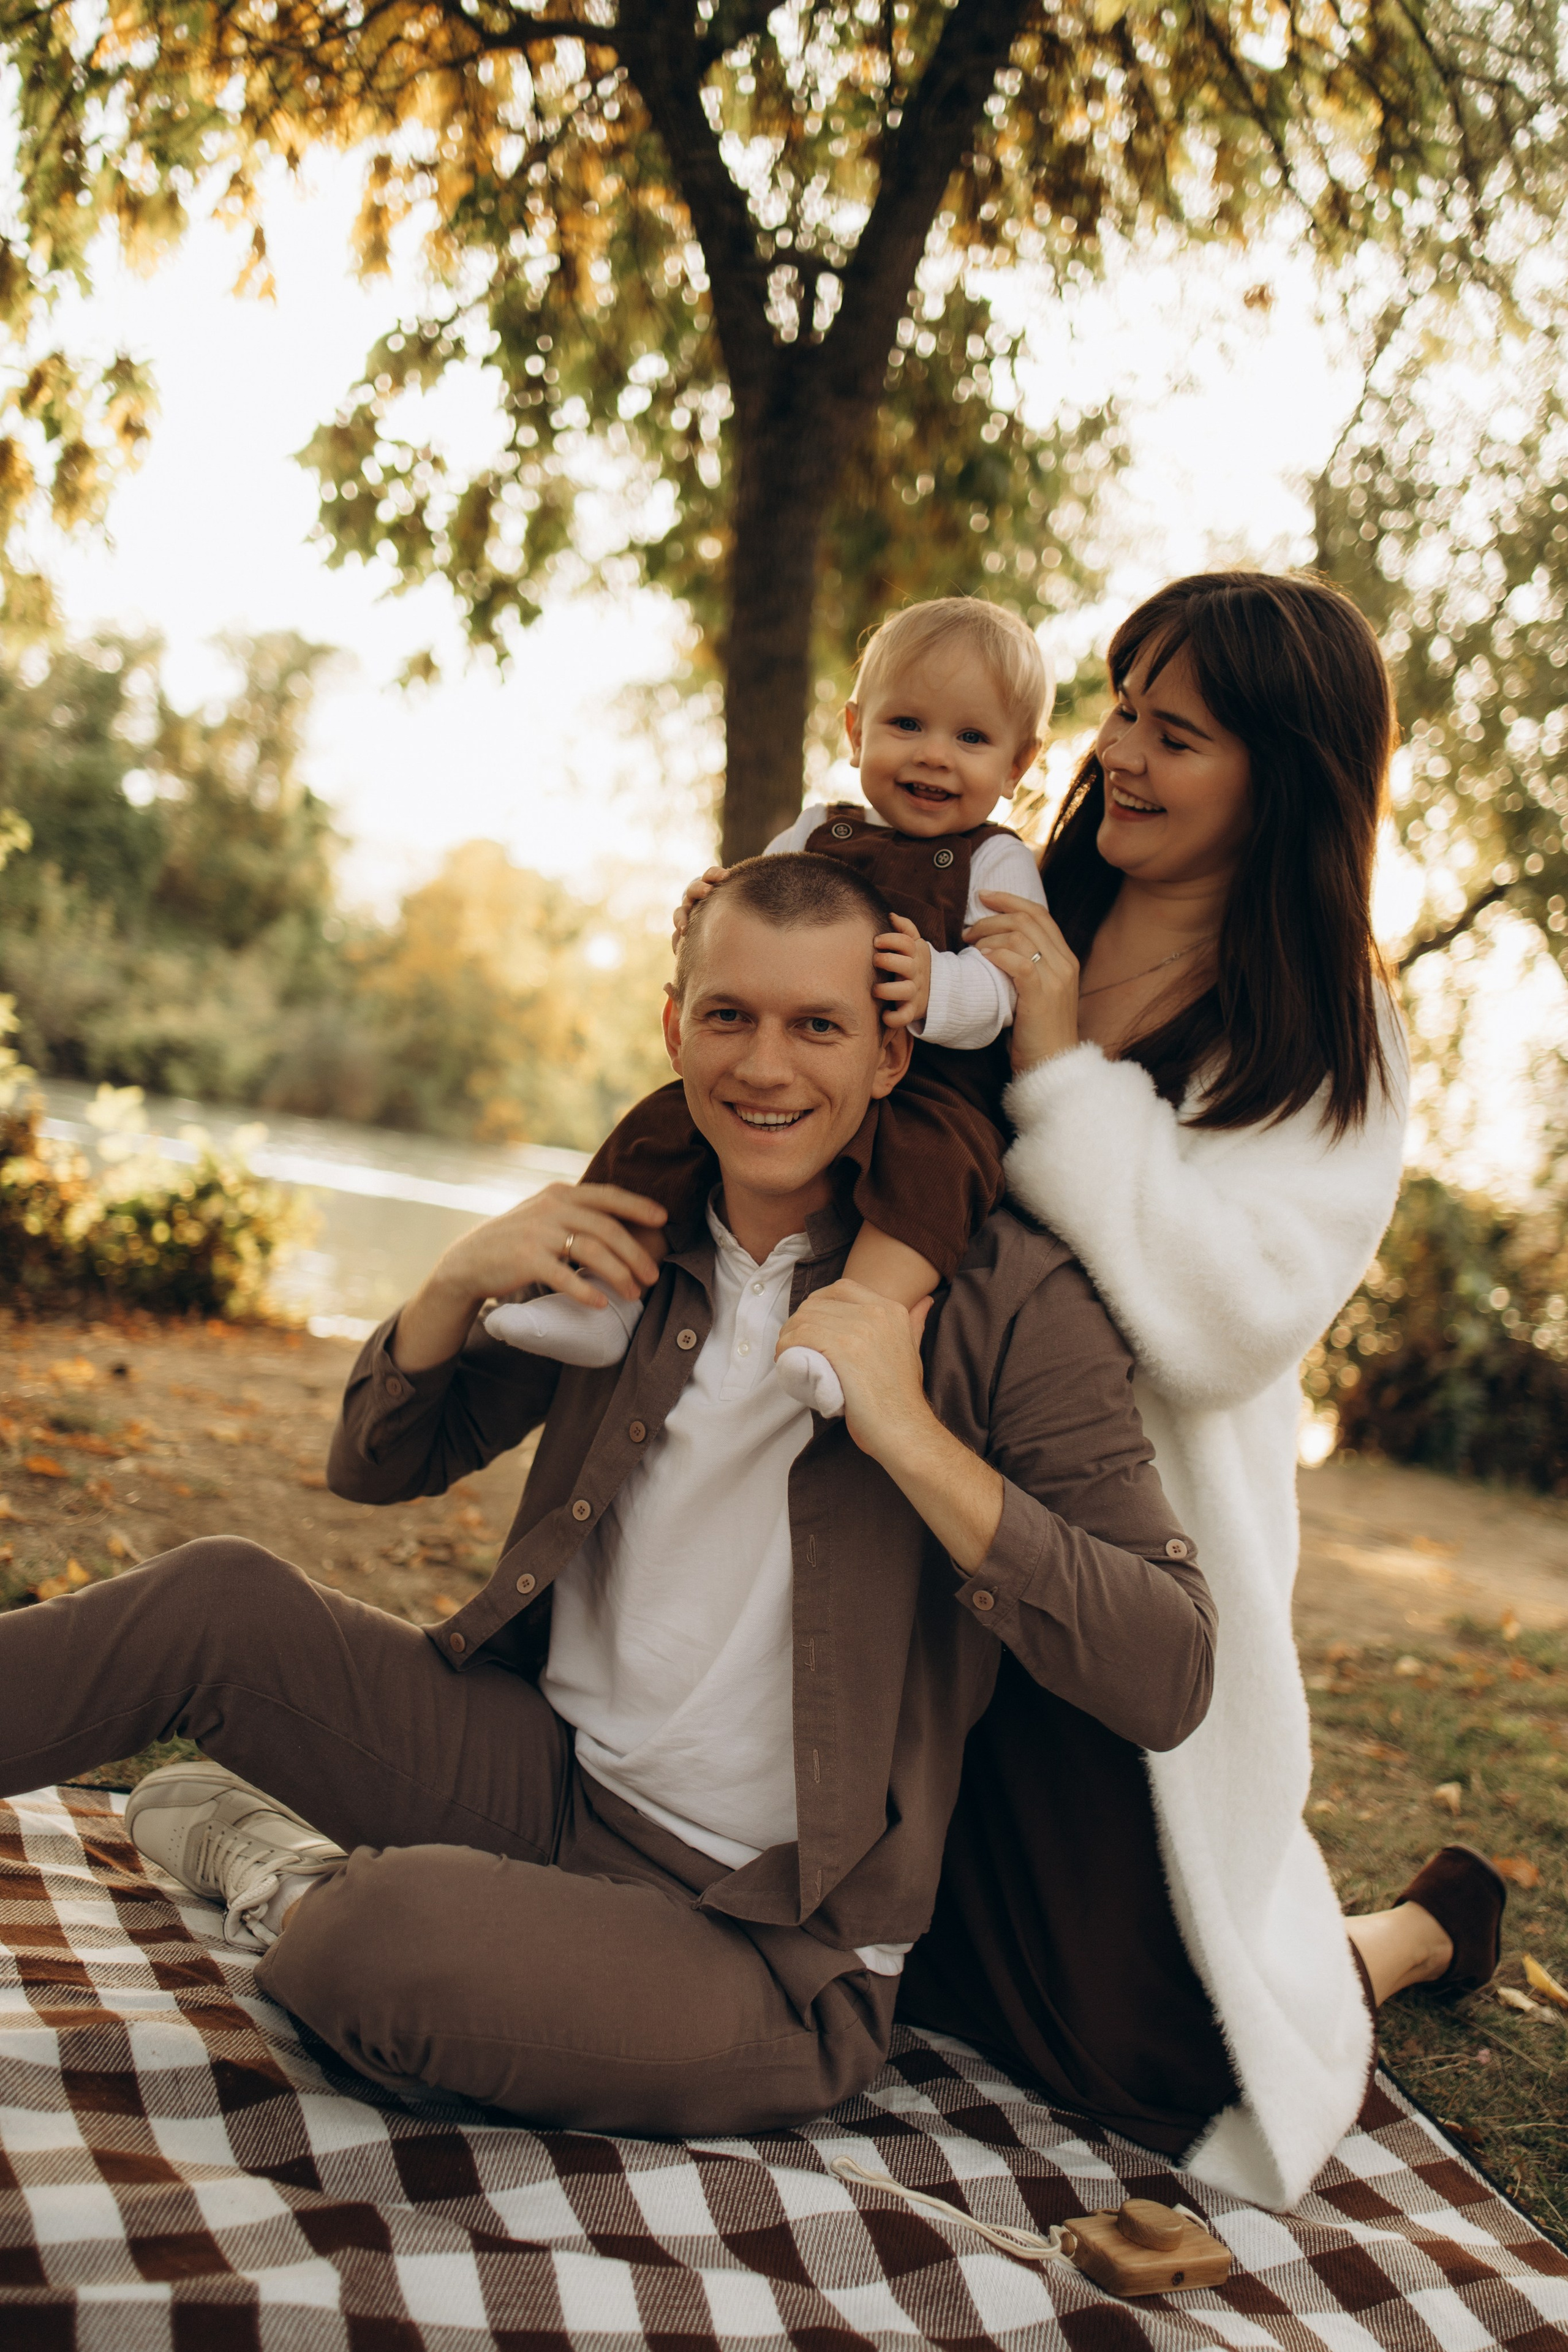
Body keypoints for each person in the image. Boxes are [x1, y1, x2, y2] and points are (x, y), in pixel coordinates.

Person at [0, 854, 1216, 2136]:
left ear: (889, 1055)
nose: (764, 1067)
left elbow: (1170, 1671)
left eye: (818, 1026)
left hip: (766, 1943)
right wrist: (453, 1285)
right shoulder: (638, 1232)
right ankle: (408, 1888)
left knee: (376, 1940)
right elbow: (375, 1462)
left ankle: (291, 1874)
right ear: (674, 1028)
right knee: (216, 1602)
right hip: (541, 1776)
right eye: (729, 1016)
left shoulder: (1011, 1300)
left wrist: (909, 1433)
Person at [898, 570, 1504, 2210]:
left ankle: (1411, 1931)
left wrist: (1055, 1063)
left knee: (1143, 2053)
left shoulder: (1328, 1031)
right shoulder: (1012, 899)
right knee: (878, 1940)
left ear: (1284, 775)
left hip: (1113, 1563)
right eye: (1122, 711)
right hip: (902, 1495)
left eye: (1179, 734)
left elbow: (1225, 1323)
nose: (1124, 755)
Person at [489, 597, 1052, 1420]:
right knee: (661, 1128)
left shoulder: (998, 860)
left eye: (971, 738)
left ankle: (850, 1327)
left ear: (1019, 763)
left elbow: (1007, 986)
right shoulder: (819, 830)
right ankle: (601, 1296)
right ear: (856, 731)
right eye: (906, 724)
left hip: (934, 1087)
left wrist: (940, 986)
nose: (934, 755)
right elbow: (751, 912)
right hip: (811, 1065)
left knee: (936, 1180)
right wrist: (707, 909)